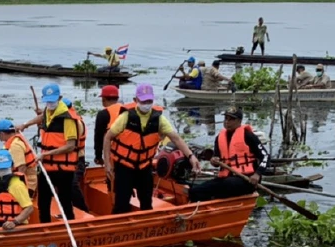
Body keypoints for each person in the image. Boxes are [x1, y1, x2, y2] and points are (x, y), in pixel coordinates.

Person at [104, 83, 199, 213]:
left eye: (149, 100)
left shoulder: (159, 119)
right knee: (121, 204)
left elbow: (176, 138)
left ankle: (145, 228)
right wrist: (107, 164)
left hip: (144, 167)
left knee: (146, 203)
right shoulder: (125, 117)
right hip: (124, 166)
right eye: (143, 101)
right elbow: (108, 137)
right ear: (135, 100)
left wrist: (191, 156)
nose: (146, 104)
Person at [17, 83, 80, 222]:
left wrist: (45, 154)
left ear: (60, 98)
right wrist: (25, 124)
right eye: (48, 101)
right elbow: (41, 117)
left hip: (64, 169)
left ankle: (70, 223)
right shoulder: (48, 111)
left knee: (64, 200)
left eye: (53, 100)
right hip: (47, 167)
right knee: (42, 200)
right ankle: (44, 226)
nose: (50, 104)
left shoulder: (67, 118)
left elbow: (70, 146)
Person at [189, 106, 269, 202]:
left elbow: (265, 156)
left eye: (231, 119)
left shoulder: (248, 136)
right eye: (226, 118)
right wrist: (214, 161)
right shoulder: (219, 138)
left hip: (247, 179)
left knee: (224, 185)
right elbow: (216, 159)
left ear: (239, 121)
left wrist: (257, 174)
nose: (227, 122)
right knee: (195, 191)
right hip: (226, 178)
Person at [0, 118, 37, 193]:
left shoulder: (15, 145)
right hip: (20, 180)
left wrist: (14, 186)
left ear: (1, 134)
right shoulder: (14, 141)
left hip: (26, 184)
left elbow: (21, 169)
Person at [93, 85, 124, 165]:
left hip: (112, 154)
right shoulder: (127, 110)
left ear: (103, 99)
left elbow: (98, 137)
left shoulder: (103, 114)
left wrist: (98, 156)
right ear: (117, 98)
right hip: (128, 153)